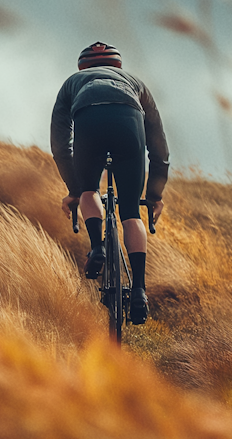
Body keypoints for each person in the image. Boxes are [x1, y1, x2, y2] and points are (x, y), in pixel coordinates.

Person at [50, 41, 169, 325]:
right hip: (129, 121)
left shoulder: (72, 83)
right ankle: (139, 290)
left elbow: (59, 144)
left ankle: (97, 248)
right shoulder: (136, 84)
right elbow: (159, 147)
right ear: (118, 66)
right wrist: (153, 195)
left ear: (82, 67)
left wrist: (74, 189)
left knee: (90, 190)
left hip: (88, 120)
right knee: (130, 213)